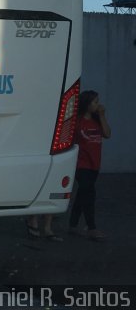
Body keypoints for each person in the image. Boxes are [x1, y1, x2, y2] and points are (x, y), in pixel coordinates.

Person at [68, 90, 112, 241]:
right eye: (94, 102)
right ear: (87, 104)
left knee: (82, 194)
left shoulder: (97, 120)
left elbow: (107, 134)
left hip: (95, 163)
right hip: (82, 164)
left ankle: (72, 225)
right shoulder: (78, 121)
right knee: (89, 193)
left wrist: (101, 115)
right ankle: (92, 228)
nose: (97, 104)